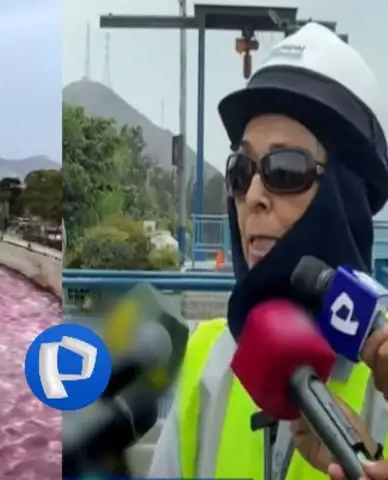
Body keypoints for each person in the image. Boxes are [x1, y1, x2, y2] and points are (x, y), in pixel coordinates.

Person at [149, 23, 388, 480]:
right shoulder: (208, 358)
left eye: (285, 168)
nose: (253, 194)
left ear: (346, 197)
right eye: (242, 170)